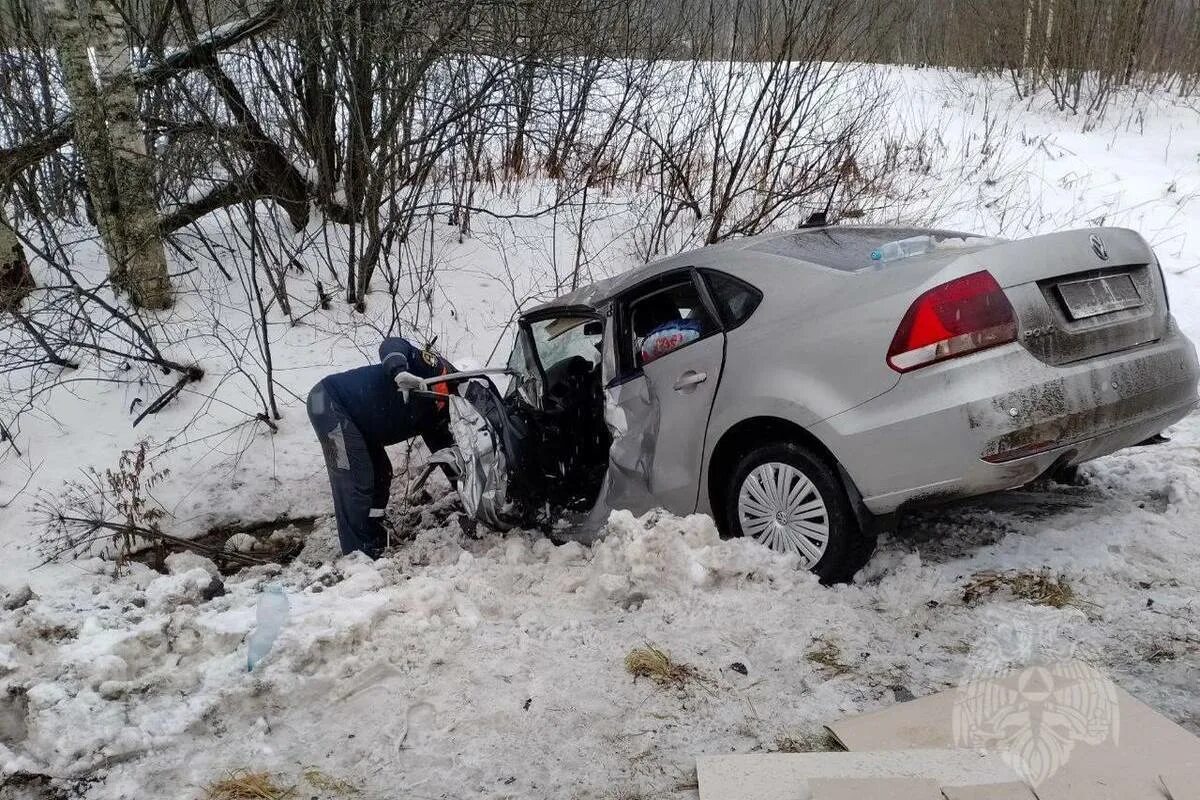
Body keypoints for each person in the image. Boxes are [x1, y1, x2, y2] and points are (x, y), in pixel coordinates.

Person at [306, 337, 455, 558]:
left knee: (380, 475)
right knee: (355, 479)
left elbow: (446, 455)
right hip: (328, 403)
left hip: (358, 421)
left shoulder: (438, 417)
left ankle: (373, 531)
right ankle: (358, 556)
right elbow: (393, 344)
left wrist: (465, 489)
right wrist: (398, 371)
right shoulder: (433, 369)